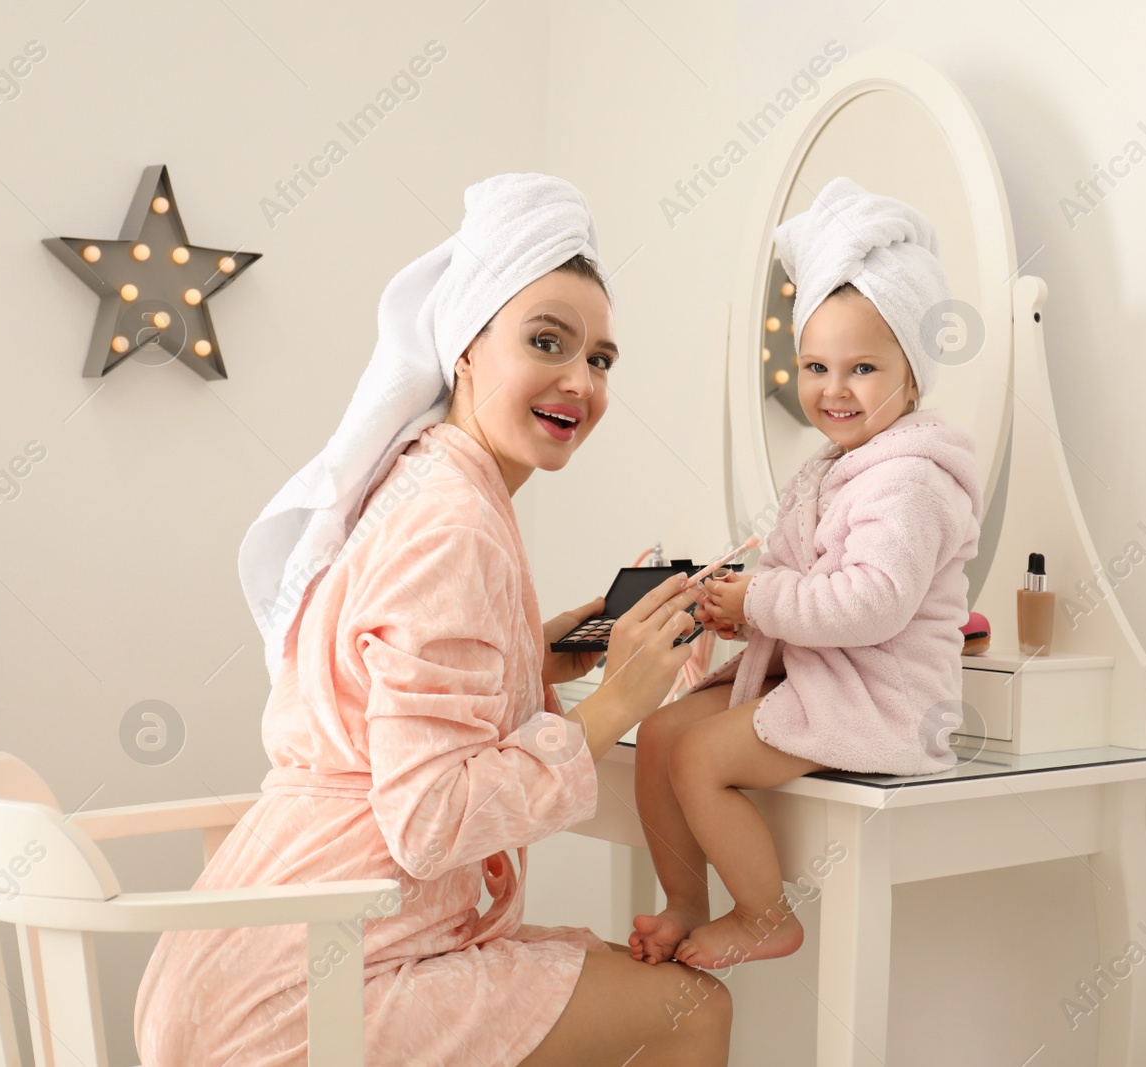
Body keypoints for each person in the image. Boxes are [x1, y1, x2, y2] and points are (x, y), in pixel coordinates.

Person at [134, 173, 731, 1067]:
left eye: (601, 359)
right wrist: (619, 702)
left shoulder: (417, 479)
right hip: (303, 996)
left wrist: (536, 660)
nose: (581, 380)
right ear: (466, 350)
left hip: (236, 960)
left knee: (616, 976)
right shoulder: (457, 523)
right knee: (691, 1006)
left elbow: (383, 687)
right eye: (547, 341)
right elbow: (429, 822)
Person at [628, 177, 984, 971]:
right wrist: (739, 610)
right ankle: (685, 898)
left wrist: (761, 599)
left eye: (862, 368)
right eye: (816, 366)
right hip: (819, 672)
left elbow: (873, 602)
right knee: (658, 735)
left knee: (699, 757)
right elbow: (801, 578)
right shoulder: (833, 468)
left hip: (883, 695)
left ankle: (764, 914)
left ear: (914, 374)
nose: (833, 389)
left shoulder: (910, 481)